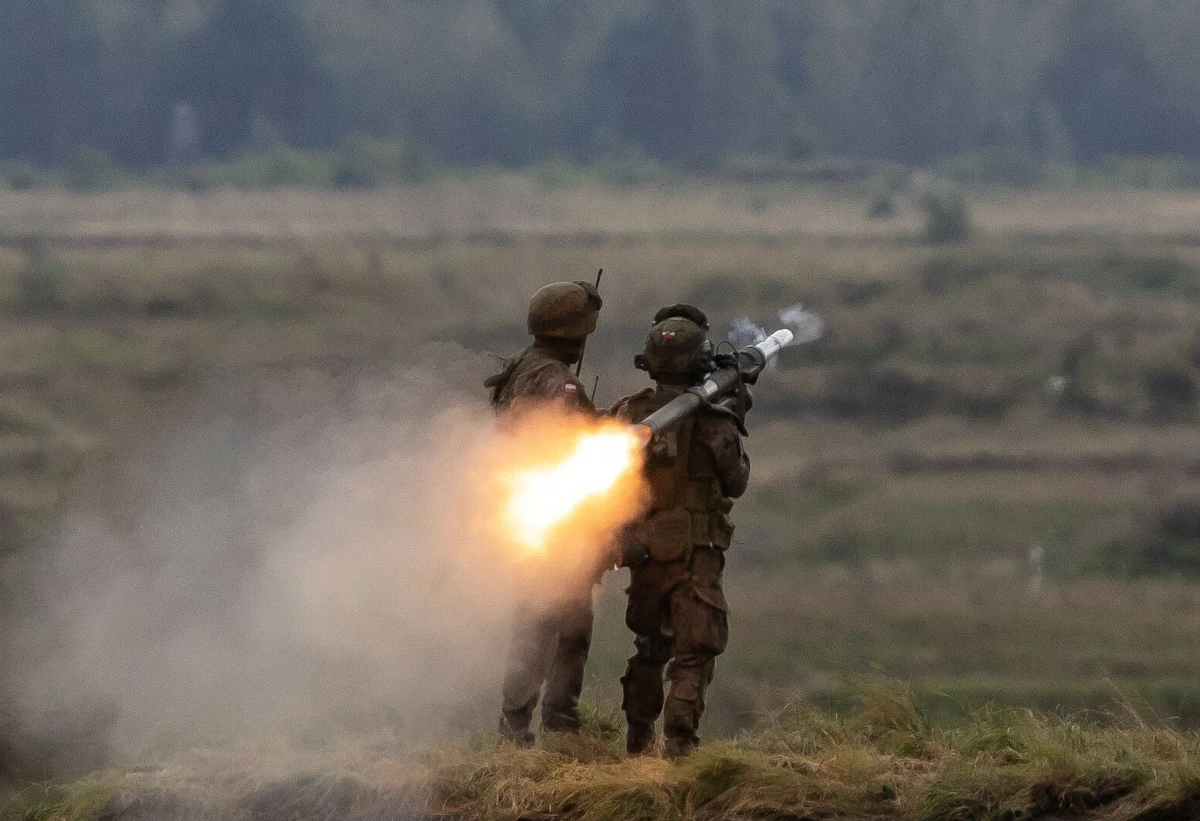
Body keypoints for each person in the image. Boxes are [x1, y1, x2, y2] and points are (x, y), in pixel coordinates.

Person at [610, 304, 751, 758]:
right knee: (694, 652)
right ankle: (680, 748)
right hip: (695, 552)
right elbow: (736, 481)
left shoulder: (628, 414)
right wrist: (736, 408)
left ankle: (637, 741)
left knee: (650, 646)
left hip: (647, 549)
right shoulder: (713, 419)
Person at [485, 280, 604, 746]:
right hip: (558, 519)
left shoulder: (521, 367)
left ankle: (514, 726)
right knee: (566, 627)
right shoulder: (560, 383)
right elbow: (573, 446)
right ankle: (559, 726)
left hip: (526, 512)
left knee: (532, 623)